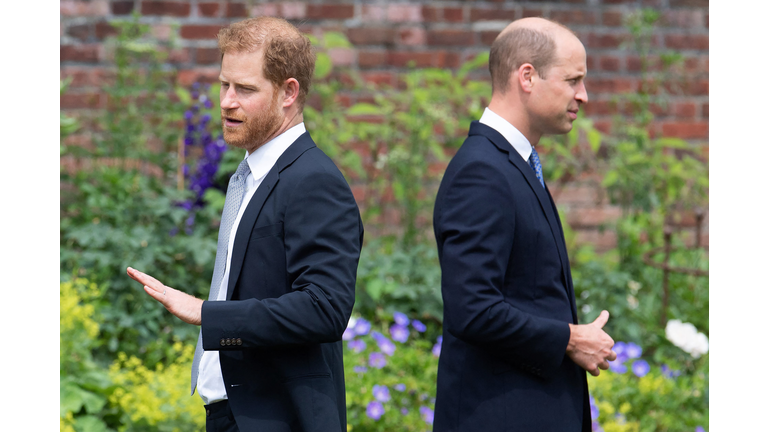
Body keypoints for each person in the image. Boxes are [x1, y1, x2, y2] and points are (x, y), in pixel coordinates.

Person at [126, 17, 363, 432]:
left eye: (245, 89)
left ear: (289, 92)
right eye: (224, 85)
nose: (227, 101)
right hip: (233, 414)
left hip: (278, 418)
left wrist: (209, 315)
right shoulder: (251, 175)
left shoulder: (313, 180)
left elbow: (325, 308)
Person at [432, 17, 616, 432]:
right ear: (527, 77)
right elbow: (472, 309)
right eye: (573, 80)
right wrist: (569, 338)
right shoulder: (482, 172)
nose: (583, 96)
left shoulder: (511, 164)